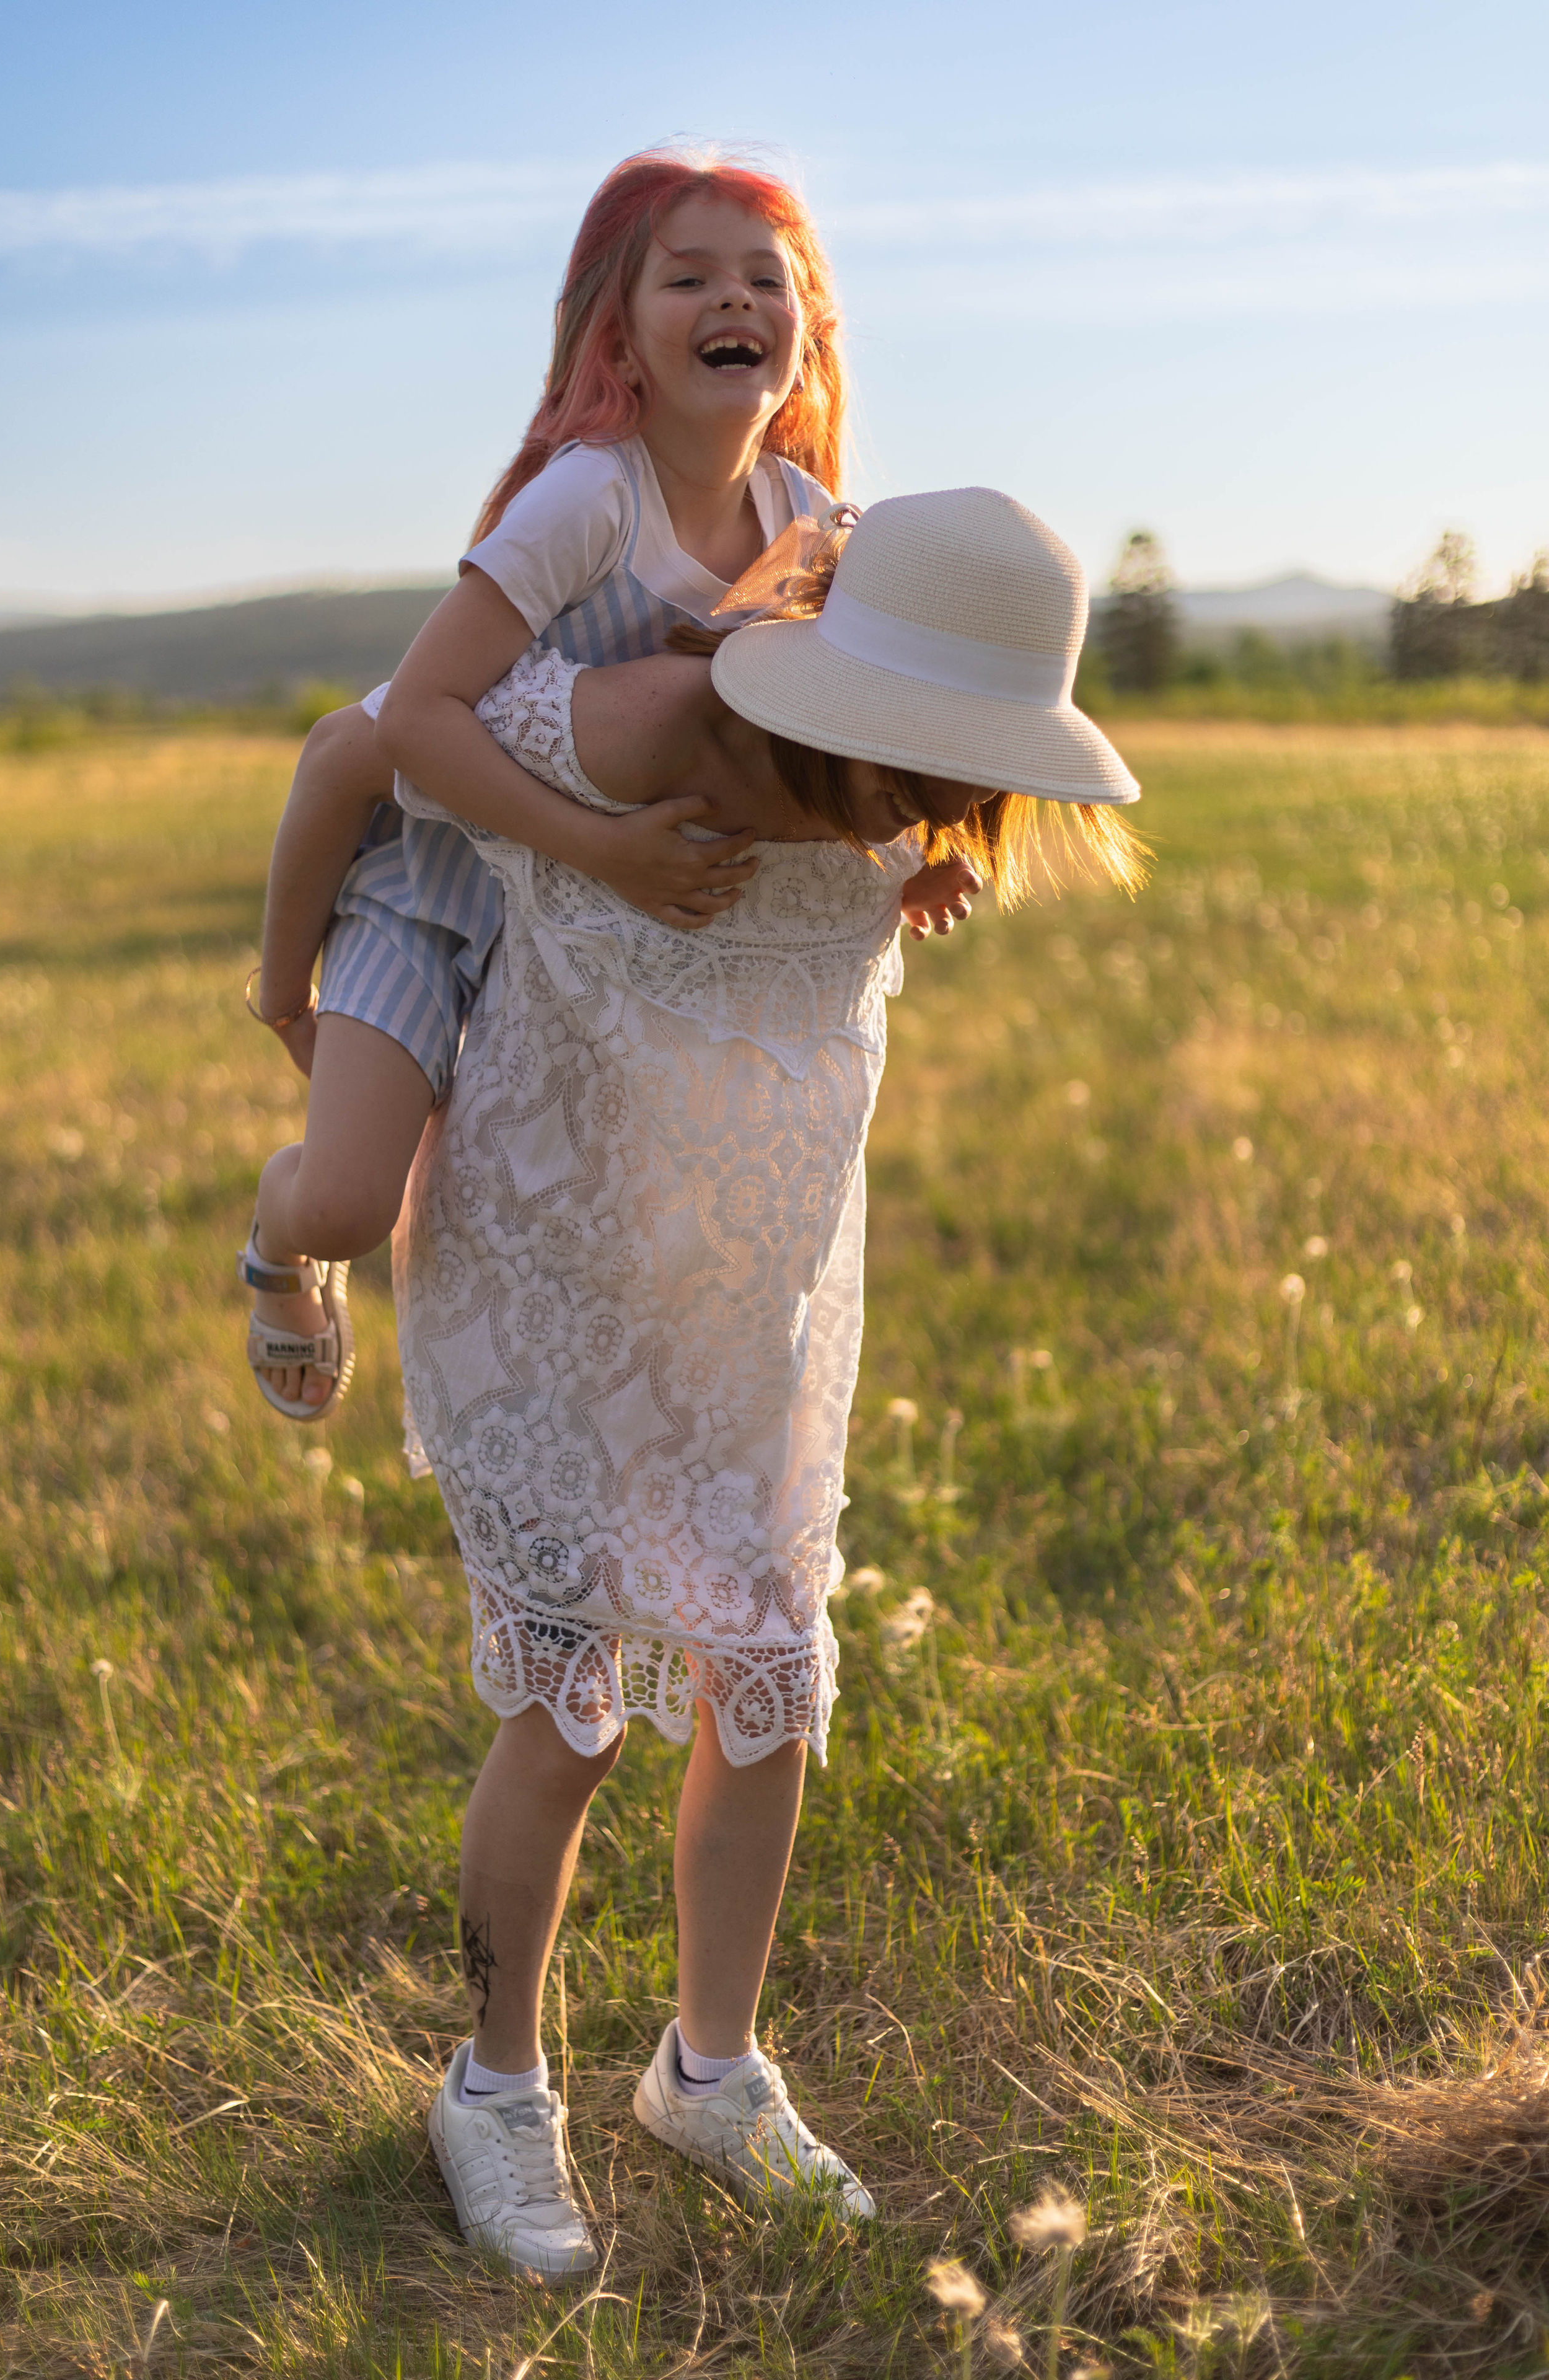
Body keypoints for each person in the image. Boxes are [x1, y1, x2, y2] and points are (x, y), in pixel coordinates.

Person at [386, 487, 1146, 2278]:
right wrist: (306, 991)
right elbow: (378, 750)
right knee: (565, 1712)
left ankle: (707, 2073)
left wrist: (925, 858)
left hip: (760, 1309)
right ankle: (492, 2092)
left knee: (765, 1694)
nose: (932, 800)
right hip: (560, 1280)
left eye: (967, 768)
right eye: (920, 758)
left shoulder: (909, 822)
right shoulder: (642, 729)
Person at [236, 148, 969, 1417]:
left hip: (602, 923)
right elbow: (402, 723)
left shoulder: (811, 526)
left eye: (767, 279)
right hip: (452, 865)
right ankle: (272, 1235)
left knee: (625, 1238)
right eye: (688, 278)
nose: (735, 301)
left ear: (808, 332)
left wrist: (899, 862)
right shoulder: (588, 500)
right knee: (356, 1200)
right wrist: (286, 989)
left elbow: (808, 740)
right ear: (618, 334)